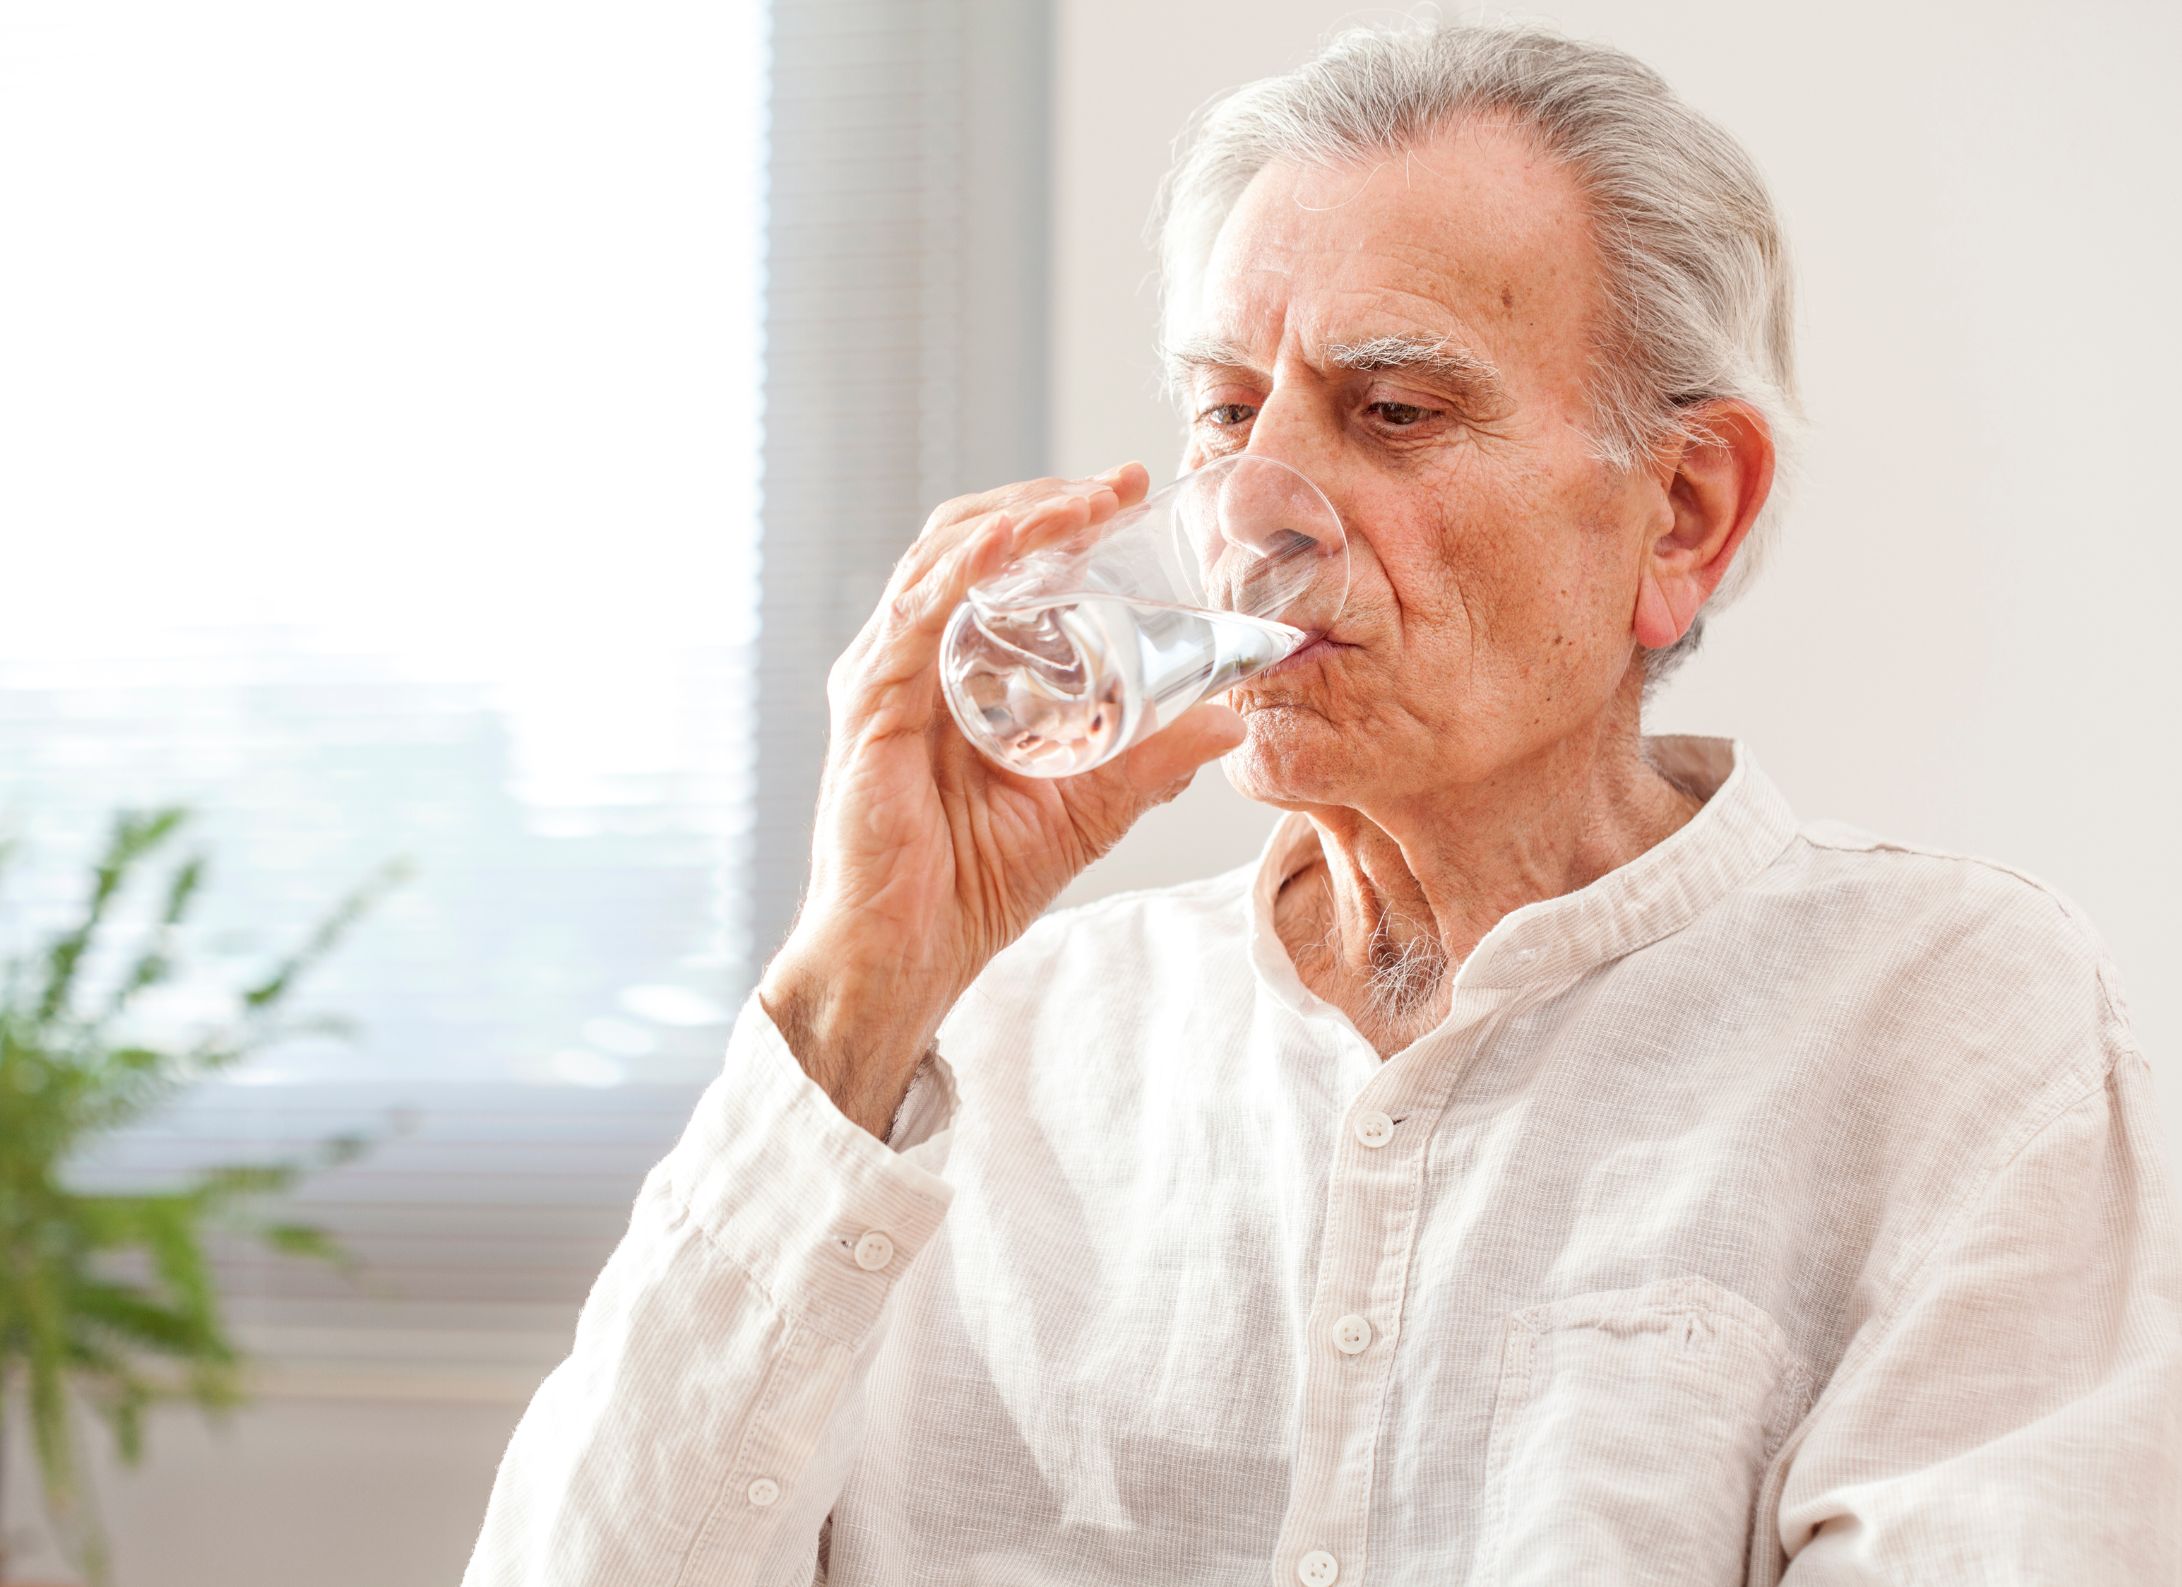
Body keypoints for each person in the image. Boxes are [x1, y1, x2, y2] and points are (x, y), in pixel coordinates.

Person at [462, 19, 2182, 1586]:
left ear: (1680, 515)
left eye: (1395, 411)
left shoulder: (1947, 1022)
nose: (1254, 516)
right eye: (1225, 412)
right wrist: (857, 984)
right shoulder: (999, 1042)